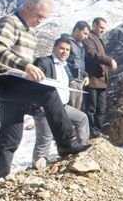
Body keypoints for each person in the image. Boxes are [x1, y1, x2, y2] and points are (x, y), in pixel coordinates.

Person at [0, 0, 91, 185]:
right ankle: (66, 143)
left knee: (11, 135)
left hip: (17, 83)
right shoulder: (8, 22)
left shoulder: (31, 32)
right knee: (50, 94)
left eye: (44, 18)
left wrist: (29, 77)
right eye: (39, 16)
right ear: (27, 7)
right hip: (3, 81)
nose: (40, 21)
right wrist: (26, 66)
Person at [32, 38, 90, 166]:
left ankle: (80, 148)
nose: (65, 52)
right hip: (45, 108)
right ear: (54, 48)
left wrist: (85, 76)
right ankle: (38, 166)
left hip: (63, 107)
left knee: (82, 118)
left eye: (67, 50)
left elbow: (78, 71)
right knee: (45, 139)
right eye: (62, 48)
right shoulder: (43, 62)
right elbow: (32, 83)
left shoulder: (66, 66)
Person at [82, 17, 117, 139]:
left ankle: (97, 131)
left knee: (101, 108)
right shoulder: (88, 38)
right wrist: (110, 60)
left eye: (104, 28)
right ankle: (91, 132)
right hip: (91, 80)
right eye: (101, 27)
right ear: (94, 25)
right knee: (91, 108)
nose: (103, 30)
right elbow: (92, 54)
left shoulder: (99, 40)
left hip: (102, 81)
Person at [61, 21, 90, 110]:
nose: (86, 37)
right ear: (77, 30)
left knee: (77, 111)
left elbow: (81, 64)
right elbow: (62, 61)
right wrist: (70, 79)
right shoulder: (66, 42)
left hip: (80, 81)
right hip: (70, 81)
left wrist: (86, 75)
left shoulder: (80, 47)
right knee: (69, 109)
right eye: (84, 33)